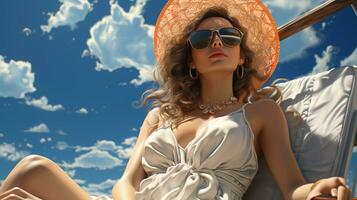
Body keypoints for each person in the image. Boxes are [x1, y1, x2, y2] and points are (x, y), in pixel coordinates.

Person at [112, 0, 353, 200]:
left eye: (229, 36)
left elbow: (292, 187)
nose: (217, 42)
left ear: (241, 58)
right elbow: (126, 182)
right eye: (202, 39)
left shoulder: (262, 113)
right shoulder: (159, 116)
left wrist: (316, 191)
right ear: (191, 61)